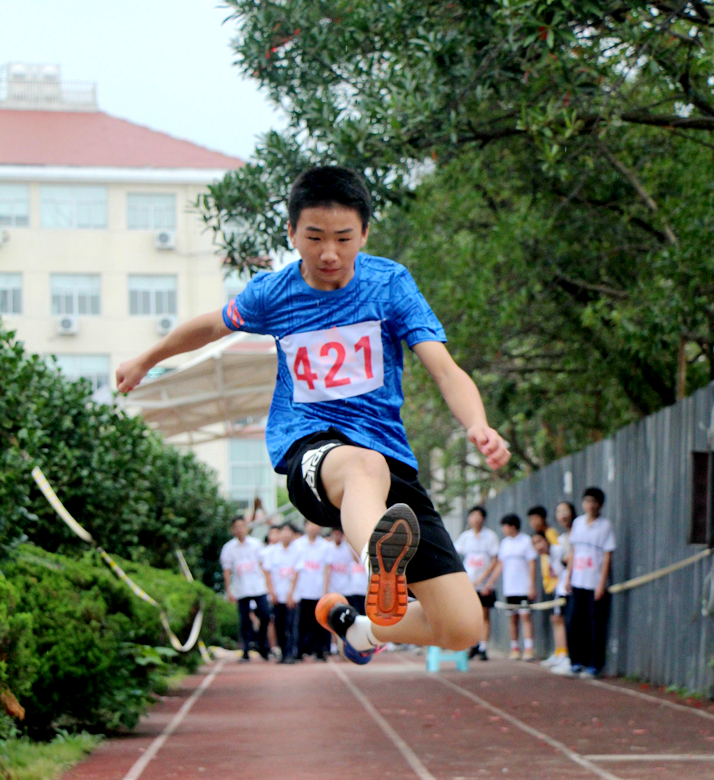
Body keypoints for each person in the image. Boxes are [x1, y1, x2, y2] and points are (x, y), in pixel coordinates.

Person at [115, 165, 508, 667]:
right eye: (314, 237)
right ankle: (378, 566)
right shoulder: (274, 294)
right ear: (291, 234)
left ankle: (358, 626)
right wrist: (146, 359)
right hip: (312, 450)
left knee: (461, 626)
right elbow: (210, 326)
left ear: (364, 233)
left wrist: (477, 423)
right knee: (362, 465)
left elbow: (444, 369)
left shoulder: (389, 285)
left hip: (388, 464)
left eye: (344, 238)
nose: (329, 253)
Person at [564, 487, 616, 677]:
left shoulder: (605, 526)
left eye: (594, 501)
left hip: (594, 583)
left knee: (595, 625)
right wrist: (568, 577)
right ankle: (576, 661)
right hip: (577, 581)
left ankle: (595, 665)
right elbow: (573, 551)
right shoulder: (577, 523)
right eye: (587, 501)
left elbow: (607, 555)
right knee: (574, 623)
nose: (590, 505)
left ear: (600, 505)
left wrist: (602, 583)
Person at [220, 516, 272, 662]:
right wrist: (229, 590)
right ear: (232, 530)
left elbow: (264, 565)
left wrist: (268, 585)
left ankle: (262, 644)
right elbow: (227, 570)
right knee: (244, 620)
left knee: (266, 615)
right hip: (241, 589)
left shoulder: (256, 544)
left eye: (242, 526)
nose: (240, 529)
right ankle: (246, 649)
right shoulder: (228, 548)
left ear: (247, 527)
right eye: (236, 527)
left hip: (258, 587)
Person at [487, 514, 537, 661]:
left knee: (525, 616)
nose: (503, 529)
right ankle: (514, 648)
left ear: (512, 526)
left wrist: (531, 586)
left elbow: (532, 564)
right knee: (512, 618)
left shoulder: (526, 541)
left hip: (523, 587)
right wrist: (490, 583)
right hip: (510, 588)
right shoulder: (504, 543)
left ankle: (529, 648)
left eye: (505, 526)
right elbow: (500, 565)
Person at [454, 505, 499, 660]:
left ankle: (483, 647)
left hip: (484, 584)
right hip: (469, 584)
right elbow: (455, 553)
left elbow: (495, 559)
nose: (475, 519)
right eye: (472, 516)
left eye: (478, 516)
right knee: (471, 615)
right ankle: (473, 644)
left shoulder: (490, 536)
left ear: (484, 518)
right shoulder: (465, 537)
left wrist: (484, 579)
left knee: (484, 615)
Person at [290, 521, 331, 661]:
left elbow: (327, 569)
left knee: (320, 623)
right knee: (301, 623)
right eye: (310, 524)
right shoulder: (297, 545)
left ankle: (320, 650)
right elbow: (294, 569)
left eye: (316, 524)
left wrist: (325, 591)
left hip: (318, 590)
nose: (314, 527)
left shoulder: (325, 546)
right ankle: (300, 650)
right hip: (303, 590)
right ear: (305, 526)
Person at [262, 522, 300, 663]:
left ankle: (290, 653)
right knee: (279, 625)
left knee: (291, 625)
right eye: (283, 531)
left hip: (292, 596)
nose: (285, 534)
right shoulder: (272, 552)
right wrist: (271, 592)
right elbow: (268, 573)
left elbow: (297, 574)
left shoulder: (297, 551)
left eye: (288, 531)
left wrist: (291, 594)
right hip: (277, 596)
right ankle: (283, 653)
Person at [546, 500, 576, 675]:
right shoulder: (561, 539)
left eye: (565, 511)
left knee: (571, 622)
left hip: (575, 585)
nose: (562, 515)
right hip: (562, 586)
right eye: (559, 512)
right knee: (558, 619)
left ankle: (572, 658)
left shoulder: (578, 535)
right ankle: (563, 654)